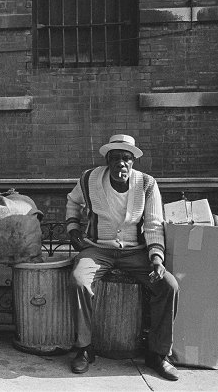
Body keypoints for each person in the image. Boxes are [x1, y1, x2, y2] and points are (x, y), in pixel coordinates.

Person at [65, 134, 179, 381]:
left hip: (134, 252)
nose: (121, 164)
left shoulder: (147, 184)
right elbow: (72, 201)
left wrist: (156, 258)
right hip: (98, 249)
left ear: (133, 162)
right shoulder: (89, 179)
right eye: (116, 159)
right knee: (79, 280)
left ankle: (157, 354)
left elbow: (153, 223)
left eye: (126, 159)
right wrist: (73, 228)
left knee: (168, 285)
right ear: (108, 160)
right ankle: (84, 349)